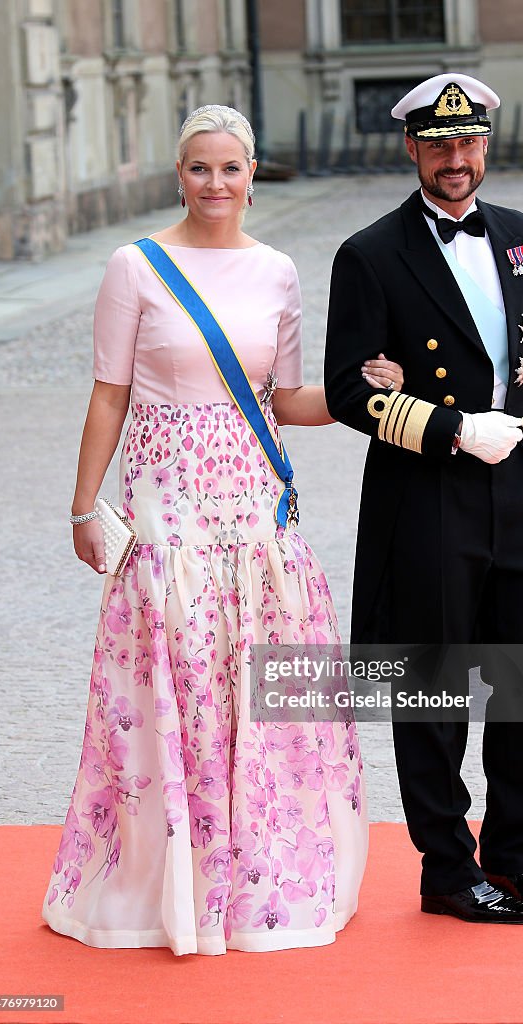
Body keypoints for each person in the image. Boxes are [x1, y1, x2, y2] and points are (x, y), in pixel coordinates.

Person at [42, 104, 404, 955]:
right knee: (181, 682)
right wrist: (85, 506)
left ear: (251, 173)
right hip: (167, 506)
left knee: (262, 690)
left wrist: (360, 389)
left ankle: (256, 874)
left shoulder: (277, 270)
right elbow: (109, 394)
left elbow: (285, 402)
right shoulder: (134, 267)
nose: (215, 184)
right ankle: (171, 880)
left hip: (252, 504)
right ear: (180, 174)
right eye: (200, 168)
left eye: (230, 168)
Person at [324, 73, 523, 924]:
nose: (455, 160)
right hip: (427, 493)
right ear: (410, 147)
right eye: (438, 145)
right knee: (434, 687)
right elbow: (343, 390)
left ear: (485, 145)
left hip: (515, 487)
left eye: (468, 143)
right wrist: (446, 427)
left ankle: (517, 859)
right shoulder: (368, 253)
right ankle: (446, 867)